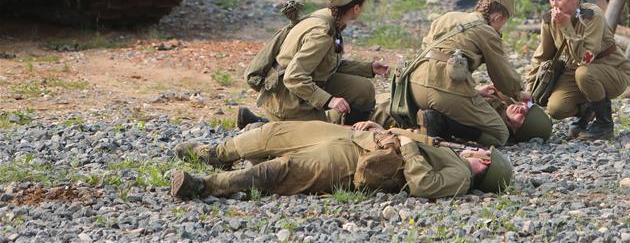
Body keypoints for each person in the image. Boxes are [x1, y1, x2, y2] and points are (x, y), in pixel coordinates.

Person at [170, 120, 512, 200]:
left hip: (356, 160)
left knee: (280, 171)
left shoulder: (461, 176)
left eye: (484, 154)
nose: (477, 151)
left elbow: (423, 185)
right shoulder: (450, 153)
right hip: (357, 136)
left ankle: (204, 186)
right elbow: (407, 136)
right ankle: (215, 154)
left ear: (484, 165)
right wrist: (382, 128)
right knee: (273, 133)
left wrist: (406, 147)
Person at [238, 0, 388, 128]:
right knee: (325, 140)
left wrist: (369, 68)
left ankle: (353, 133)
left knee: (363, 89)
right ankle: (262, 127)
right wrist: (329, 100)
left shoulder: (329, 17)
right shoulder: (322, 33)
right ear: (356, 8)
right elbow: (293, 77)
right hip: (287, 100)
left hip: (302, 88)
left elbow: (325, 65)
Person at [407, 0, 531, 147]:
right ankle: (440, 123)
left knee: (450, 101)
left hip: (414, 86)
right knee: (500, 134)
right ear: (497, 17)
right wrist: (519, 92)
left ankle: (430, 122)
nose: (500, 29)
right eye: (502, 24)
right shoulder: (487, 31)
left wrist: (476, 91)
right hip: (444, 93)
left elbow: (429, 51)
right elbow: (502, 74)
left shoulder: (448, 16)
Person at [525, 0, 630, 140]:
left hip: (611, 70)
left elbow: (585, 58)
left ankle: (604, 125)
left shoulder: (592, 16)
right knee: (556, 108)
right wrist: (528, 92)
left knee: (584, 73)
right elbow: (542, 56)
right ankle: (587, 109)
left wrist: (566, 27)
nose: (555, 5)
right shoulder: (549, 21)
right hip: (575, 72)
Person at [367, 83, 553, 145]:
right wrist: (476, 91)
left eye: (523, 117)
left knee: (365, 112)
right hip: (408, 103)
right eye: (525, 108)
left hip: (407, 114)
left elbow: (449, 122)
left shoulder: (495, 129)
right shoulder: (500, 107)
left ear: (517, 131)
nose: (520, 108)